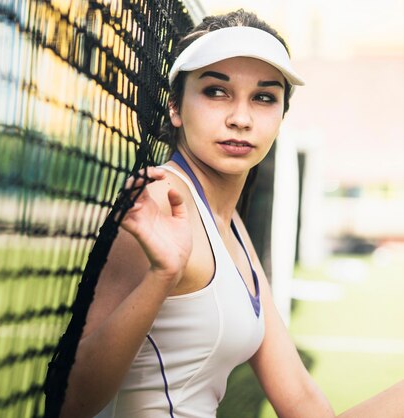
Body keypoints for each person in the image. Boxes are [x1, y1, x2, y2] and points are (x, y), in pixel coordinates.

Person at [59, 9, 404, 418]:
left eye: (263, 97)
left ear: (280, 116)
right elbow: (72, 404)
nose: (241, 118)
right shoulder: (159, 203)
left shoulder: (231, 222)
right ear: (175, 108)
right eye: (216, 91)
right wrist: (162, 276)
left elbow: (301, 401)